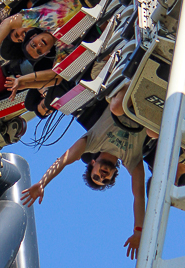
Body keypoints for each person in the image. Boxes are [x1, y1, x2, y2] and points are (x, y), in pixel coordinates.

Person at [21, 108, 147, 259]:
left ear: (93, 163)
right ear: (114, 174)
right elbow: (139, 195)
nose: (102, 177)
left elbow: (64, 160)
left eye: (96, 177)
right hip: (147, 110)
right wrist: (138, 231)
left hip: (124, 98)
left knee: (117, 107)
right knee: (153, 133)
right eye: (105, 180)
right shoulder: (131, 159)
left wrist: (43, 182)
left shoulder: (92, 142)